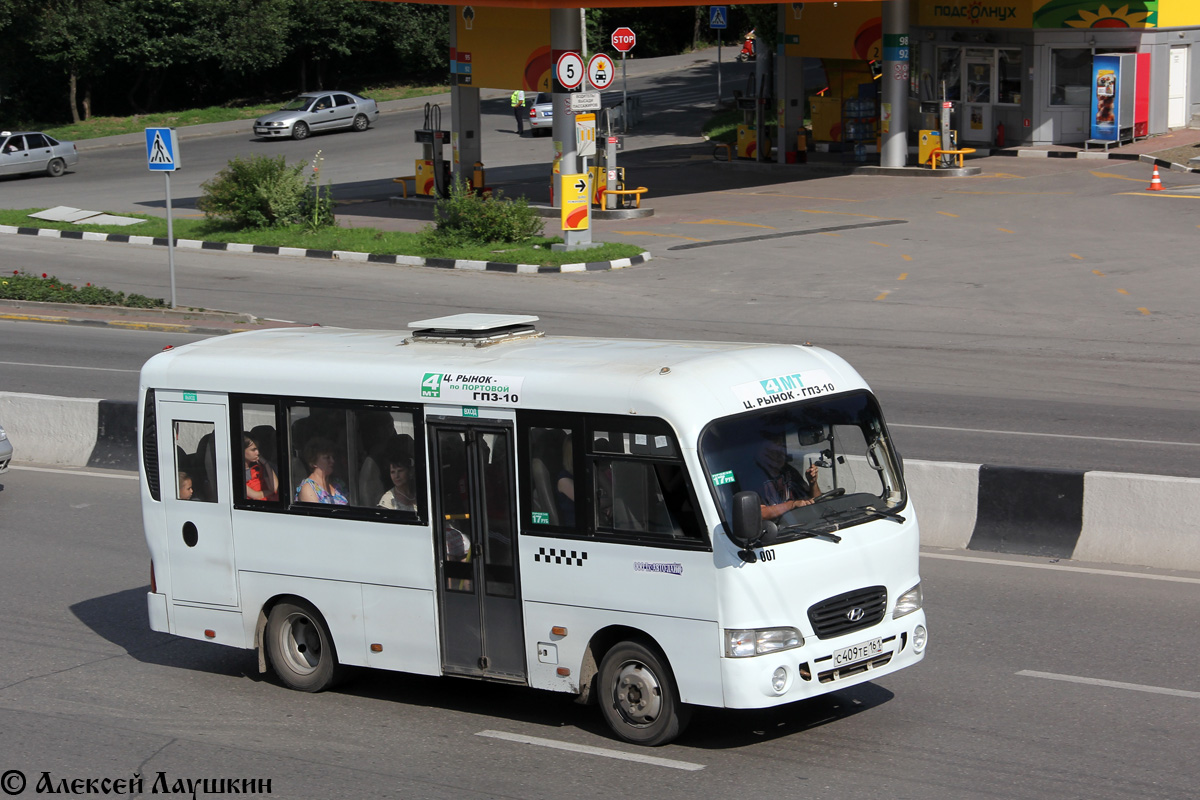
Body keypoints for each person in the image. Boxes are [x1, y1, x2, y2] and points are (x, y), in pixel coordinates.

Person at [755, 433, 820, 520]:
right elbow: (760, 513)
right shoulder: (754, 479)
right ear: (761, 454)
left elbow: (815, 501)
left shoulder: (789, 471)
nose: (779, 456)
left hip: (801, 523)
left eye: (781, 451)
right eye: (773, 452)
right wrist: (792, 505)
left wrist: (813, 483)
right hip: (774, 530)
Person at [296, 438, 348, 505]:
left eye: (333, 457)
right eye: (327, 457)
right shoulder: (308, 488)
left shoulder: (338, 483)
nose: (332, 461)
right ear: (313, 462)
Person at [243, 433, 279, 501]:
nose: (257, 452)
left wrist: (266, 464)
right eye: (253, 450)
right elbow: (255, 496)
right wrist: (270, 492)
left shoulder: (260, 467)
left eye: (258, 449)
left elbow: (274, 488)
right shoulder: (234, 473)